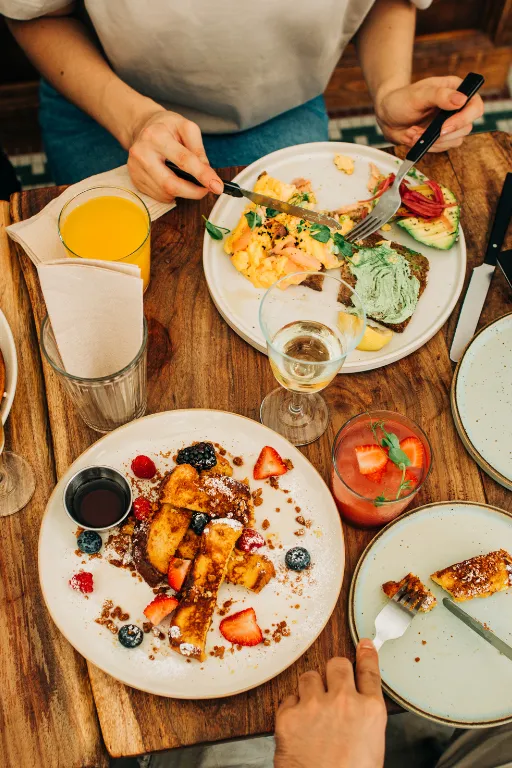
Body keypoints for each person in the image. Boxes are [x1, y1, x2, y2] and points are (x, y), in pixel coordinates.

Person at [2, 1, 483, 204]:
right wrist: (135, 122)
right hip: (103, 101)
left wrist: (390, 90)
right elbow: (35, 12)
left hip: (280, 109)